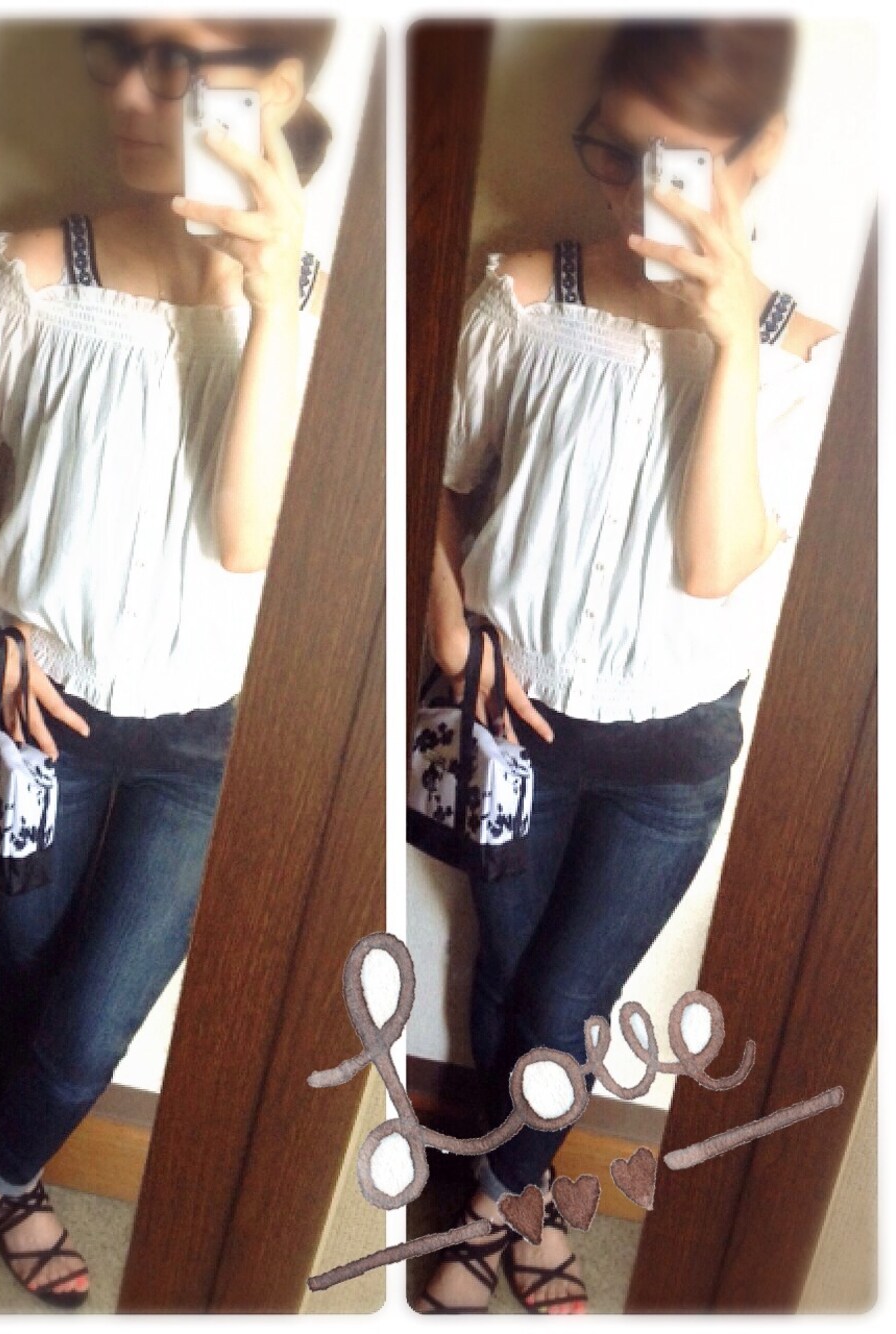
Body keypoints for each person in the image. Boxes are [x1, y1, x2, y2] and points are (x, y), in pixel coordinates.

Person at [415, 19, 842, 1316]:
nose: (638, 190)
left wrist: (730, 341)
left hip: (672, 753)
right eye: (614, 151)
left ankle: (493, 1207)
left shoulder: (804, 360)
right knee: (506, 973)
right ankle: (528, 1206)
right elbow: (441, 483)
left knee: (569, 990)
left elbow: (716, 567)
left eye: (680, 162)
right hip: (509, 720)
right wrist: (447, 624)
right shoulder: (520, 297)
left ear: (763, 150)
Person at [0, 17, 334, 1314]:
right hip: (40, 707)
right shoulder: (34, 278)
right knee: (22, 968)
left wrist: (272, 300)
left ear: (282, 88)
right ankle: (20, 1182)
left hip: (209, 729)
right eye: (129, 56)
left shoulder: (316, 302)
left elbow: (249, 536)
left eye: (191, 68)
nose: (144, 97)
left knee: (99, 1010)